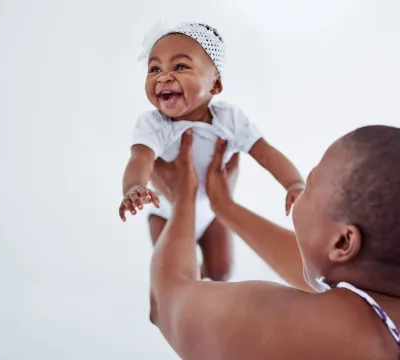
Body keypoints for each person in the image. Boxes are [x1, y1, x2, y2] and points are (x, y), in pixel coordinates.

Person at [148, 126, 400, 359]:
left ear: (344, 242)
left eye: (310, 186)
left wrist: (183, 198)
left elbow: (166, 299)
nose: (300, 194)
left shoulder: (314, 335)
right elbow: (324, 269)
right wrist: (224, 207)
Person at [119, 21, 304, 281]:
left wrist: (294, 183)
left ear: (215, 84)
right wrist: (134, 187)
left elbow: (266, 153)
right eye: (154, 69)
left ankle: (204, 283)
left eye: (180, 66)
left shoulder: (229, 120)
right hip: (165, 213)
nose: (163, 77)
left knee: (222, 271)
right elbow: (141, 158)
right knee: (173, 277)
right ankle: (175, 293)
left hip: (213, 212)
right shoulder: (154, 124)